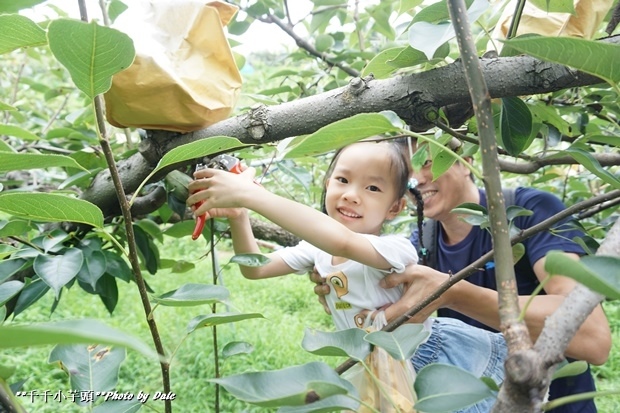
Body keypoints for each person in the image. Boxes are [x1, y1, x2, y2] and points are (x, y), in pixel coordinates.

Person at [188, 140, 506, 413]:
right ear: (328, 185)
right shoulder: (316, 249)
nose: (351, 195)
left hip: (427, 363)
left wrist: (253, 196)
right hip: (371, 365)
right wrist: (240, 216)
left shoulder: (395, 250)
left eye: (372, 187)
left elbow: (342, 242)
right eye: (342, 179)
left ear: (394, 207)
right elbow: (255, 268)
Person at [313, 140, 612, 412]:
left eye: (428, 162)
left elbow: (593, 336)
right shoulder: (418, 245)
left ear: (463, 157)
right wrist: (344, 286)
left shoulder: (527, 213)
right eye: (407, 171)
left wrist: (452, 292)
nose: (416, 179)